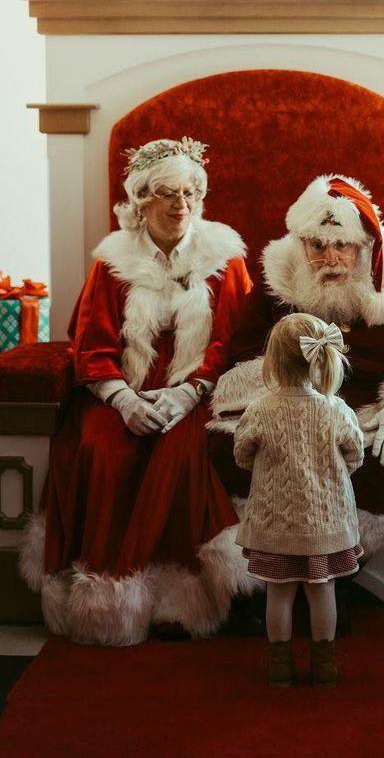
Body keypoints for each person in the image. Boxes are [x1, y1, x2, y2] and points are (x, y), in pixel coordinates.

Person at [19, 137, 259, 646]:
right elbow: (91, 342)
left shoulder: (224, 258)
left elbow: (234, 340)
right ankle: (109, 603)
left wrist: (188, 393)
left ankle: (180, 603)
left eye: (191, 192)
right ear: (140, 202)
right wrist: (124, 400)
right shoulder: (113, 262)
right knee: (100, 449)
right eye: (167, 193)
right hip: (122, 388)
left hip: (197, 389)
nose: (182, 204)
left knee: (179, 451)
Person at [209, 174, 384, 556]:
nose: (330, 258)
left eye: (342, 246)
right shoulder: (280, 277)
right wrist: (281, 406)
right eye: (317, 245)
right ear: (301, 243)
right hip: (292, 402)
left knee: (376, 461)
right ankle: (262, 576)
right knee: (227, 448)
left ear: (365, 245)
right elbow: (244, 353)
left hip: (375, 410)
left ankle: (341, 577)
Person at [234, 313, 364, 687]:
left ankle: (279, 662)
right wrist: (331, 479)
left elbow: (242, 454)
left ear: (272, 362)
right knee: (323, 591)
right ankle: (323, 663)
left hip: (277, 523)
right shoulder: (335, 409)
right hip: (325, 523)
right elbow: (354, 454)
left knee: (279, 593)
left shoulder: (260, 409)